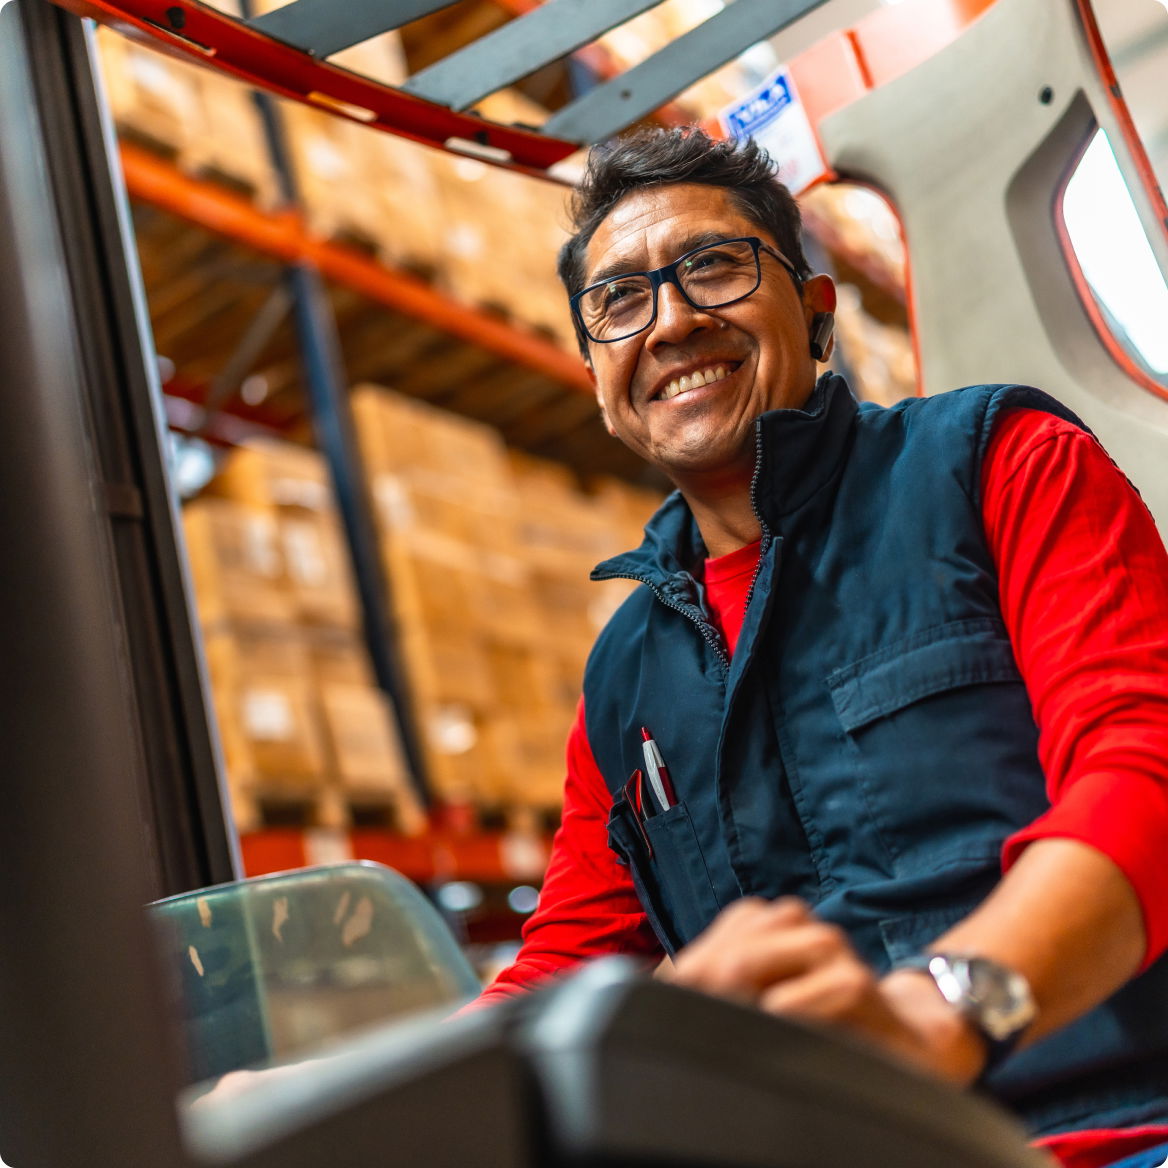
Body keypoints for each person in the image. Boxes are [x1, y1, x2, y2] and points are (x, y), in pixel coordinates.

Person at [476, 127, 1168, 1168]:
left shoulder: (998, 465)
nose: (671, 321)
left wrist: (942, 1011)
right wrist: (366, 1093)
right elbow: (565, 962)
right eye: (618, 302)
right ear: (599, 380)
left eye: (714, 266)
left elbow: (1143, 774)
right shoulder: (625, 675)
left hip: (1109, 1127)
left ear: (815, 314)